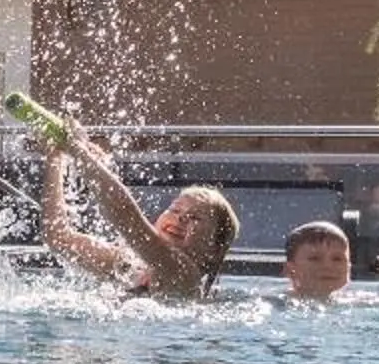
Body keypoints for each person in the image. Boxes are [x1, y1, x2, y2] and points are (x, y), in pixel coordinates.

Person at [38, 126, 238, 301]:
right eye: (175, 209)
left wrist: (78, 151)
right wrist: (55, 159)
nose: (180, 218)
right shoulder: (129, 264)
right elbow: (57, 238)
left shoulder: (184, 274)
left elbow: (125, 217)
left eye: (195, 218)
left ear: (214, 250)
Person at [282, 220, 379, 308]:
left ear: (349, 267)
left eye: (337, 259)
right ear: (290, 270)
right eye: (315, 258)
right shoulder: (278, 305)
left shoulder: (355, 305)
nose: (328, 266)